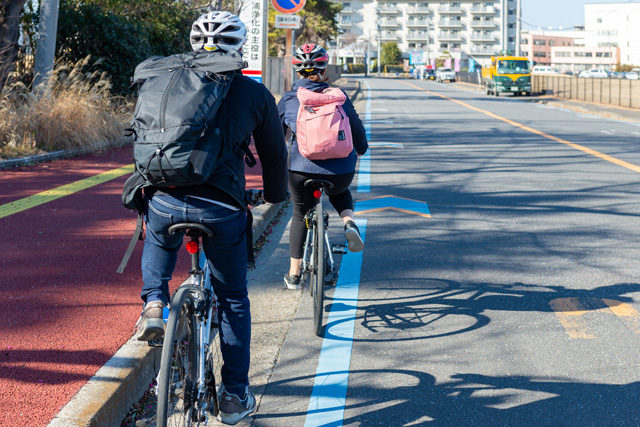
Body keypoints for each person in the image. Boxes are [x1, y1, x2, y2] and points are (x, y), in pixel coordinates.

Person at [130, 11, 287, 425]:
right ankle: (234, 396)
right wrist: (273, 197)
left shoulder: (164, 80)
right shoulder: (253, 92)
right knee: (233, 297)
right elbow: (274, 156)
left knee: (160, 232)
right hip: (220, 206)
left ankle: (154, 303)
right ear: (239, 46)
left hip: (164, 196)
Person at [278, 43, 368, 290]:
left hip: (300, 169)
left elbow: (276, 138)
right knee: (339, 191)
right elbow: (356, 128)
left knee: (299, 214)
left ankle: (294, 275)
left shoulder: (288, 99)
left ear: (296, 70)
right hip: (340, 170)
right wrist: (361, 148)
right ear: (324, 68)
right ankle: (349, 222)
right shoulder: (339, 96)